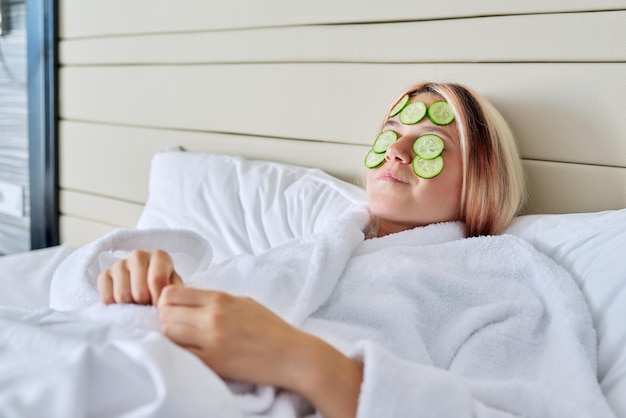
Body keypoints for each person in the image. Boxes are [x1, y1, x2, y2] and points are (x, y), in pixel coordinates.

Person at [95, 82, 610, 418]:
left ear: (482, 180)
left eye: (432, 142)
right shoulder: (319, 247)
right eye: (392, 131)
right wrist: (138, 281)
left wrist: (313, 367)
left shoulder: (509, 277)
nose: (397, 150)